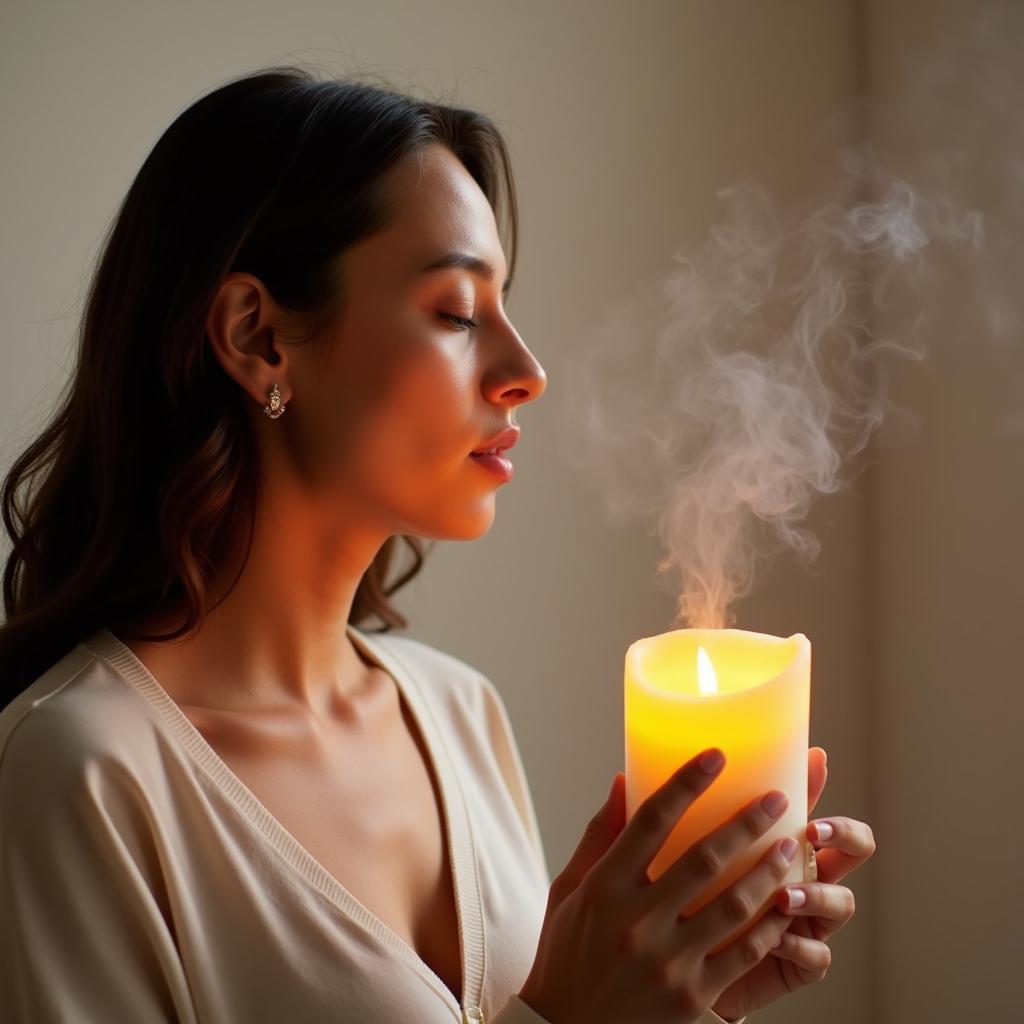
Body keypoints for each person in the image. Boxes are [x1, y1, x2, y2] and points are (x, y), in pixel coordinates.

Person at [0, 67, 874, 1023]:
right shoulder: (81, 774)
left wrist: (687, 1000)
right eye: (458, 312)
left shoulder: (463, 714)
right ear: (257, 336)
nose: (527, 372)